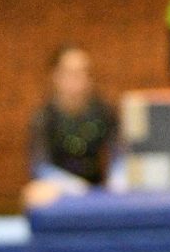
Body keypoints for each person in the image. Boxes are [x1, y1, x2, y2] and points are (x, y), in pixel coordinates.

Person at [22, 45, 119, 210]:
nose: (78, 79)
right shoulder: (44, 117)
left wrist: (117, 180)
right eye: (71, 73)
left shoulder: (103, 111)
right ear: (56, 76)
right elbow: (39, 166)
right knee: (33, 193)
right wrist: (73, 186)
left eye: (83, 72)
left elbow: (119, 155)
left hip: (96, 190)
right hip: (58, 189)